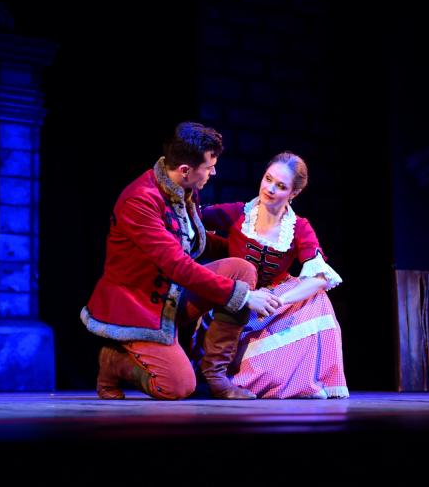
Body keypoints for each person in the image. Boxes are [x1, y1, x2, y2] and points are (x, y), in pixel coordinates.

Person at [80, 122, 282, 400]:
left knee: (241, 269)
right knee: (176, 387)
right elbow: (177, 264)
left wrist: (250, 251)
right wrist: (244, 296)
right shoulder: (140, 201)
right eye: (209, 167)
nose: (213, 172)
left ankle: (215, 375)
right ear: (186, 169)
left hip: (172, 293)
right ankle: (114, 361)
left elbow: (194, 238)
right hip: (139, 304)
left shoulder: (183, 188)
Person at [191, 151, 349, 399]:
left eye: (281, 186)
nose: (270, 189)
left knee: (318, 299)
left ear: (294, 193)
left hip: (273, 305)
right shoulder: (238, 213)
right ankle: (224, 376)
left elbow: (320, 276)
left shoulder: (298, 227)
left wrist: (278, 301)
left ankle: (286, 380)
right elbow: (191, 219)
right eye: (268, 179)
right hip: (237, 302)